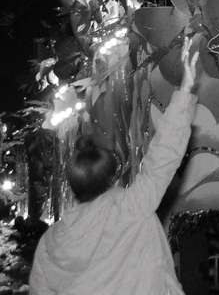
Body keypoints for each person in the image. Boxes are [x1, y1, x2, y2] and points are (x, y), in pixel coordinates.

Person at [29, 42, 199, 295]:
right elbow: (162, 156)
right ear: (112, 178)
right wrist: (184, 89)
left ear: (75, 188)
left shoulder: (51, 242)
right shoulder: (130, 208)